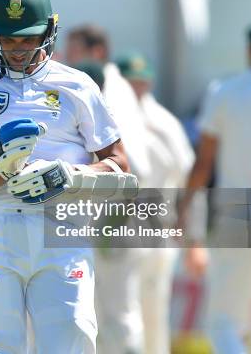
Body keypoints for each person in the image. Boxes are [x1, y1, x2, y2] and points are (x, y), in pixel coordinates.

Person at [0, 0, 136, 353]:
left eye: (28, 38)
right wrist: (3, 170)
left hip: (61, 228)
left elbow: (119, 164)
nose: (17, 49)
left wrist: (67, 176)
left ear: (49, 31)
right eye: (8, 38)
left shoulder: (78, 85)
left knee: (71, 342)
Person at [179, 20, 251, 354]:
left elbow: (204, 162)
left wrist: (185, 207)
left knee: (225, 319)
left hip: (239, 208)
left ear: (249, 50)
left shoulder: (225, 92)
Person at [67, 27, 154, 353]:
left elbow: (137, 170)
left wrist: (111, 225)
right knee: (97, 316)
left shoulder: (112, 101)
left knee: (119, 315)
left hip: (118, 223)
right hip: (102, 222)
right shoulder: (101, 97)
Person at [117, 52, 197, 354]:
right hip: (123, 228)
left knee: (149, 313)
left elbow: (187, 177)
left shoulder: (163, 121)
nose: (136, 88)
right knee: (126, 311)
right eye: (130, 82)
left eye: (140, 82)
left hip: (154, 229)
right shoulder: (114, 116)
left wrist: (186, 229)